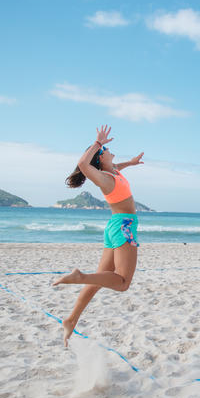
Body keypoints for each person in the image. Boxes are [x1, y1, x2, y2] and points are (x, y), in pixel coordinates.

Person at [53, 125, 145, 346]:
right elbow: (84, 165)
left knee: (100, 278)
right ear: (100, 159)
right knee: (122, 282)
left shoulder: (113, 172)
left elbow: (114, 166)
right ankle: (79, 277)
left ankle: (71, 319)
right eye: (105, 150)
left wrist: (130, 163)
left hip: (115, 226)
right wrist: (97, 143)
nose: (108, 149)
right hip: (124, 226)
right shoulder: (104, 178)